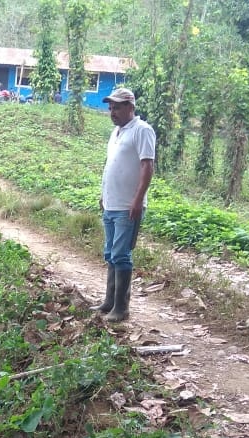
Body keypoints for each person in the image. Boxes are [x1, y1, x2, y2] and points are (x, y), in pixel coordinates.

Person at [96, 87, 156, 323]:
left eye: (117, 108)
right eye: (111, 108)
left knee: (121, 254)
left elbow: (147, 167)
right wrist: (103, 195)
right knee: (110, 253)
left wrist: (138, 200)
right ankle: (109, 301)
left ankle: (121, 308)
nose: (113, 112)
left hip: (128, 206)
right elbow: (111, 164)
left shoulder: (142, 130)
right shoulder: (116, 132)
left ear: (130, 107)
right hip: (111, 203)